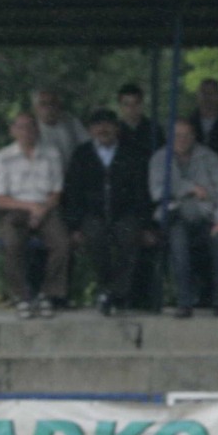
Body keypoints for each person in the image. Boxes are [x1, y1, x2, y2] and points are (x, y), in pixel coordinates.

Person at [62, 107, 150, 316]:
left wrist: (145, 224)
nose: (103, 129)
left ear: (117, 128)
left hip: (124, 213)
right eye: (98, 125)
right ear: (91, 130)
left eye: (108, 124)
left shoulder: (132, 152)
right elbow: (73, 191)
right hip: (93, 215)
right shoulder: (82, 154)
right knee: (95, 238)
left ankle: (116, 293)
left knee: (129, 237)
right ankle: (107, 288)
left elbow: (141, 192)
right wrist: (74, 226)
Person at [150, 118, 218, 318]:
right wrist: (189, 189)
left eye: (186, 135)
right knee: (178, 244)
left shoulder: (210, 157)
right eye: (177, 135)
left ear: (194, 137)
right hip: (176, 216)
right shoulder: (160, 158)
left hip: (208, 217)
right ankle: (184, 302)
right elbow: (157, 190)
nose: (182, 139)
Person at [0, 112, 70, 318]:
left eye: (31, 127)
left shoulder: (51, 154)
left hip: (46, 208)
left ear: (37, 130)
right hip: (16, 208)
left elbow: (56, 192)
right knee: (12, 243)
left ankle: (47, 294)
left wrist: (41, 209)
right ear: (13, 131)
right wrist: (30, 207)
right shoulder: (3, 157)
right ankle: (22, 297)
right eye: (21, 127)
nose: (27, 132)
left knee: (62, 244)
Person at [32, 88, 87, 169]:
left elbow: (87, 146)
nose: (49, 107)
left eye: (52, 103)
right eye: (43, 103)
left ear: (59, 105)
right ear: (36, 108)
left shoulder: (71, 122)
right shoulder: (31, 129)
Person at [116, 83, 160, 155]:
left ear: (142, 104)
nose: (131, 108)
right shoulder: (114, 131)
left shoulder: (154, 130)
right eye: (126, 104)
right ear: (120, 106)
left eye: (136, 103)